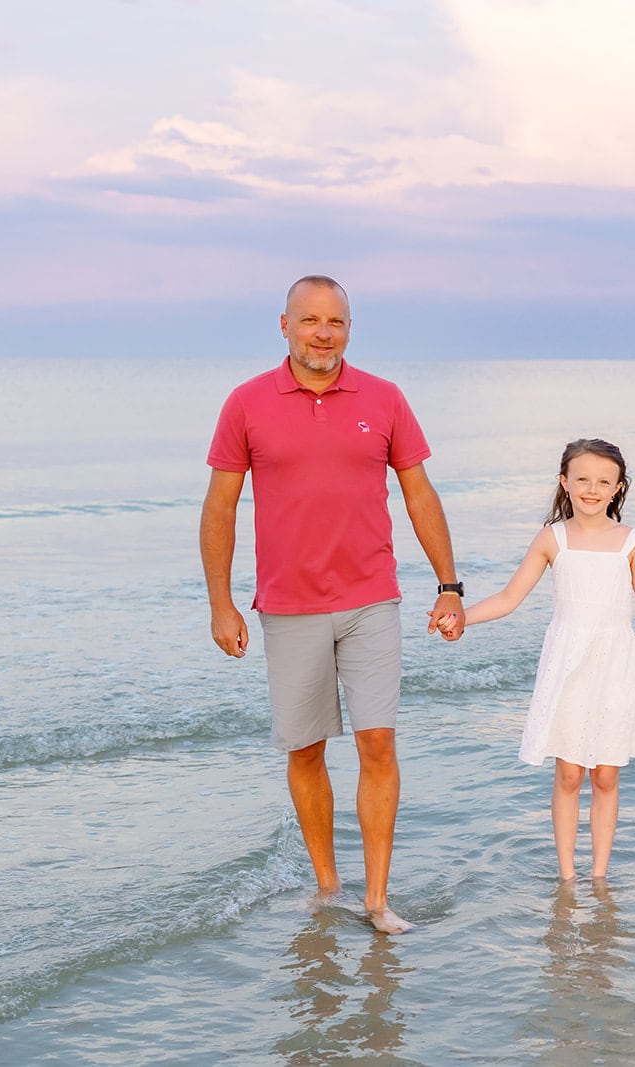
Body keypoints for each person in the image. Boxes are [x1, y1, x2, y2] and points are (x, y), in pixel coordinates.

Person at [199, 275, 464, 935]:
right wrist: (220, 604)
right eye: (310, 320)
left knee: (378, 741)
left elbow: (419, 493)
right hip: (289, 605)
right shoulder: (246, 403)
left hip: (372, 597)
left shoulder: (385, 398)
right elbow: (220, 507)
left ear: (350, 328)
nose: (323, 332)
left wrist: (449, 585)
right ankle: (327, 883)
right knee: (307, 747)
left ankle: (377, 899)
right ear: (284, 324)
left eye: (336, 322)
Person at [438, 439, 635, 881]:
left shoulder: (632, 542)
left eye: (603, 481)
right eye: (583, 479)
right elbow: (510, 598)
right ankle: (568, 877)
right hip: (568, 664)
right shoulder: (552, 539)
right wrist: (462, 619)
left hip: (614, 666)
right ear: (564, 482)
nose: (592, 488)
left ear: (618, 488)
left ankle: (599, 876)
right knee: (569, 775)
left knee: (606, 776)